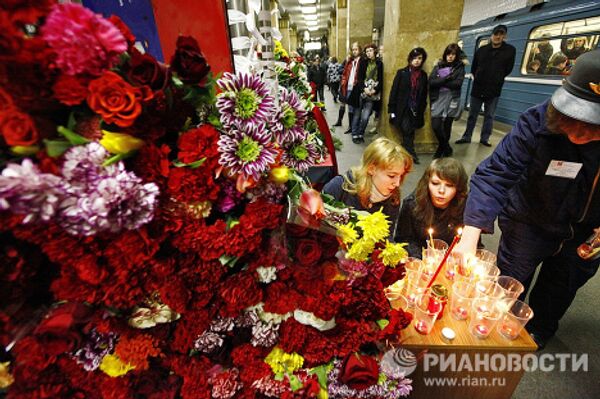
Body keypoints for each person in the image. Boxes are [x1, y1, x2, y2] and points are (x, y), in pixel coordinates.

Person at [454, 50, 600, 350]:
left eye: (592, 126)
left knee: (558, 290)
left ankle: (539, 332)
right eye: (574, 120)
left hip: (583, 235)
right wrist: (470, 235)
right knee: (508, 286)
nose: (579, 133)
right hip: (528, 222)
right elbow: (495, 174)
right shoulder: (536, 121)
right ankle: (499, 335)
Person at [323, 137, 413, 238]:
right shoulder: (339, 187)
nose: (397, 183)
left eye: (401, 176)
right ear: (371, 169)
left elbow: (386, 237)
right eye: (391, 176)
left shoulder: (393, 198)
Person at [456, 24, 516, 147]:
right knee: (472, 114)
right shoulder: (482, 50)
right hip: (478, 87)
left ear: (504, 36)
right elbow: (474, 67)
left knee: (489, 115)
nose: (497, 37)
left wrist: (497, 77)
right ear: (491, 35)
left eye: (501, 34)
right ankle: (467, 136)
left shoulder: (510, 50)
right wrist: (478, 77)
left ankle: (484, 138)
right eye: (496, 34)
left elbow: (508, 69)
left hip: (494, 89)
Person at [396, 158, 468, 258]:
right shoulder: (411, 204)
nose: (441, 190)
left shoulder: (465, 207)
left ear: (458, 188)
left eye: (449, 185)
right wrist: (423, 258)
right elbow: (403, 240)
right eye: (435, 183)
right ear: (427, 182)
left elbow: (473, 244)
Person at [388, 47, 428, 164]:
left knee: (410, 130)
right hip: (403, 108)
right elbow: (394, 91)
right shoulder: (402, 73)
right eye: (414, 58)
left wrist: (422, 108)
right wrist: (392, 109)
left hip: (416, 109)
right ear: (410, 59)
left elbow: (424, 93)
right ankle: (411, 153)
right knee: (407, 129)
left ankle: (405, 150)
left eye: (420, 58)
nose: (417, 61)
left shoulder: (423, 75)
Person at [429, 43, 466, 158]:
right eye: (448, 54)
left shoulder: (460, 67)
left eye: (453, 54)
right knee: (436, 125)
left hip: (452, 98)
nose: (450, 56)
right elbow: (431, 82)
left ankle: (441, 148)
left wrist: (441, 80)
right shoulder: (438, 66)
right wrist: (447, 78)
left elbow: (458, 84)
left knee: (447, 125)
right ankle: (446, 146)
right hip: (438, 98)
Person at [350, 43, 383, 144]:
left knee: (366, 116)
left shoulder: (379, 63)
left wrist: (375, 90)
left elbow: (381, 79)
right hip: (362, 92)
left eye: (370, 51)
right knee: (357, 114)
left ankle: (361, 133)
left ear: (375, 51)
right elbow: (359, 78)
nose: (368, 53)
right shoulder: (363, 62)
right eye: (367, 51)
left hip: (372, 93)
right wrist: (364, 89)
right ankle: (355, 134)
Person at [335, 43, 365, 133]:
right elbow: (343, 72)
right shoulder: (349, 61)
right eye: (353, 49)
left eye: (356, 49)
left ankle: (354, 127)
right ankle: (350, 127)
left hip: (356, 87)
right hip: (347, 86)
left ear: (359, 50)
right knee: (350, 108)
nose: (354, 51)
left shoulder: (362, 60)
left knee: (356, 108)